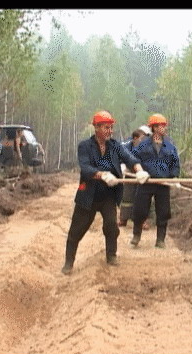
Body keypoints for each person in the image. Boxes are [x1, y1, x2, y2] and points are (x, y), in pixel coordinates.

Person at [61, 110, 150, 275]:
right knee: (76, 230)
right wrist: (102, 174)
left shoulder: (115, 146)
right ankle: (68, 263)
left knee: (111, 225)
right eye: (106, 127)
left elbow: (130, 158)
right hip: (88, 195)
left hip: (108, 195)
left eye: (111, 127)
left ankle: (111, 256)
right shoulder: (85, 146)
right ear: (96, 128)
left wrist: (139, 171)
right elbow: (86, 168)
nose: (110, 131)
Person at [130, 113, 180, 249]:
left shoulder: (170, 146)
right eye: (161, 126)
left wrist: (174, 176)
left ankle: (160, 239)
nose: (164, 128)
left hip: (163, 183)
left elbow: (175, 163)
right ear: (154, 127)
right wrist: (139, 171)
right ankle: (136, 235)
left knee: (163, 211)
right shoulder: (143, 144)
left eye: (164, 125)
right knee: (140, 210)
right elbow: (133, 158)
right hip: (146, 182)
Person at [118, 126, 152, 228]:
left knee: (143, 197)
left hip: (143, 173)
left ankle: (142, 221)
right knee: (127, 197)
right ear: (139, 135)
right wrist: (122, 166)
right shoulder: (127, 145)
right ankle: (123, 219)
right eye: (145, 136)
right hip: (129, 173)